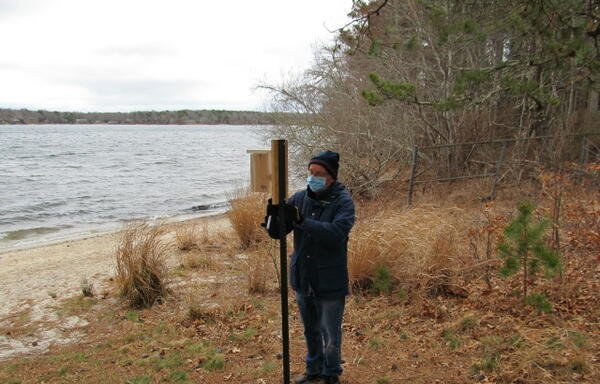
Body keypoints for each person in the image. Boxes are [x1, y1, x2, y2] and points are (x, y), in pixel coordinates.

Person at [264, 150, 355, 384]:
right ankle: (313, 369)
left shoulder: (343, 202)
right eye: (310, 173)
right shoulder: (300, 198)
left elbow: (336, 234)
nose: (313, 177)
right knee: (310, 330)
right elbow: (278, 233)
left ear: (331, 177)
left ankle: (330, 374)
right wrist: (273, 214)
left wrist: (303, 221)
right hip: (304, 278)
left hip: (329, 281)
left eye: (319, 174)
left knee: (329, 333)